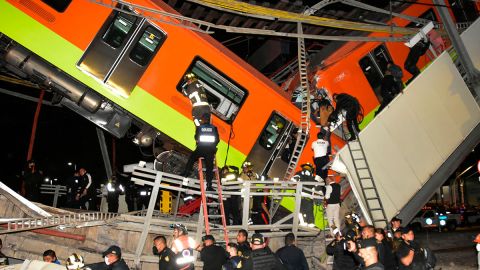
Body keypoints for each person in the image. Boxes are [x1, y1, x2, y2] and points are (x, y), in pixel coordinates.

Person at [183, 115, 219, 192]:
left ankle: (186, 173)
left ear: (203, 120)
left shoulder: (200, 128)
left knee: (192, 158)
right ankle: (209, 185)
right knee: (210, 168)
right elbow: (217, 140)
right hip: (210, 151)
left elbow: (196, 137)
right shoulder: (214, 128)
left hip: (201, 149)